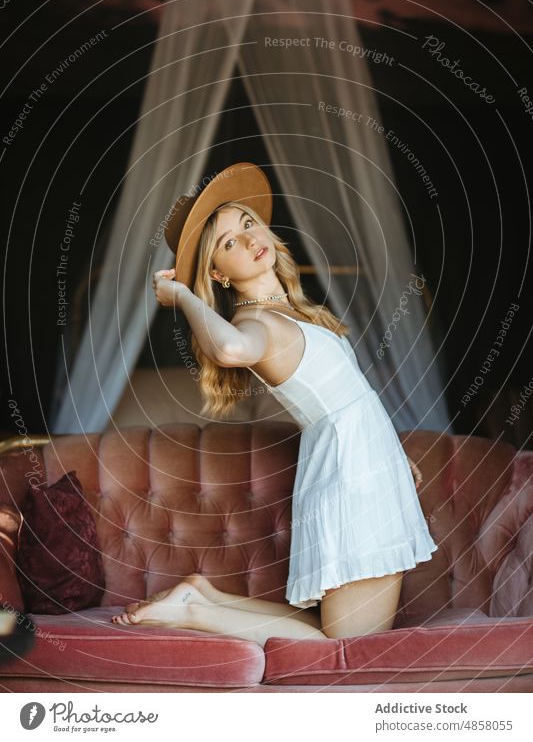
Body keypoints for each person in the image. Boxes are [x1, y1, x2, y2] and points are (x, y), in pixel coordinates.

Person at [112, 162, 437, 646]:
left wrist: (392, 454)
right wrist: (181, 294)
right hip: (351, 476)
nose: (247, 239)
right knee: (344, 645)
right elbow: (229, 350)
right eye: (227, 243)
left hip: (364, 466)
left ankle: (205, 596)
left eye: (246, 224)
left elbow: (347, 393)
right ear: (218, 273)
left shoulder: (291, 311)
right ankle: (195, 613)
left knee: (341, 636)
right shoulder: (256, 324)